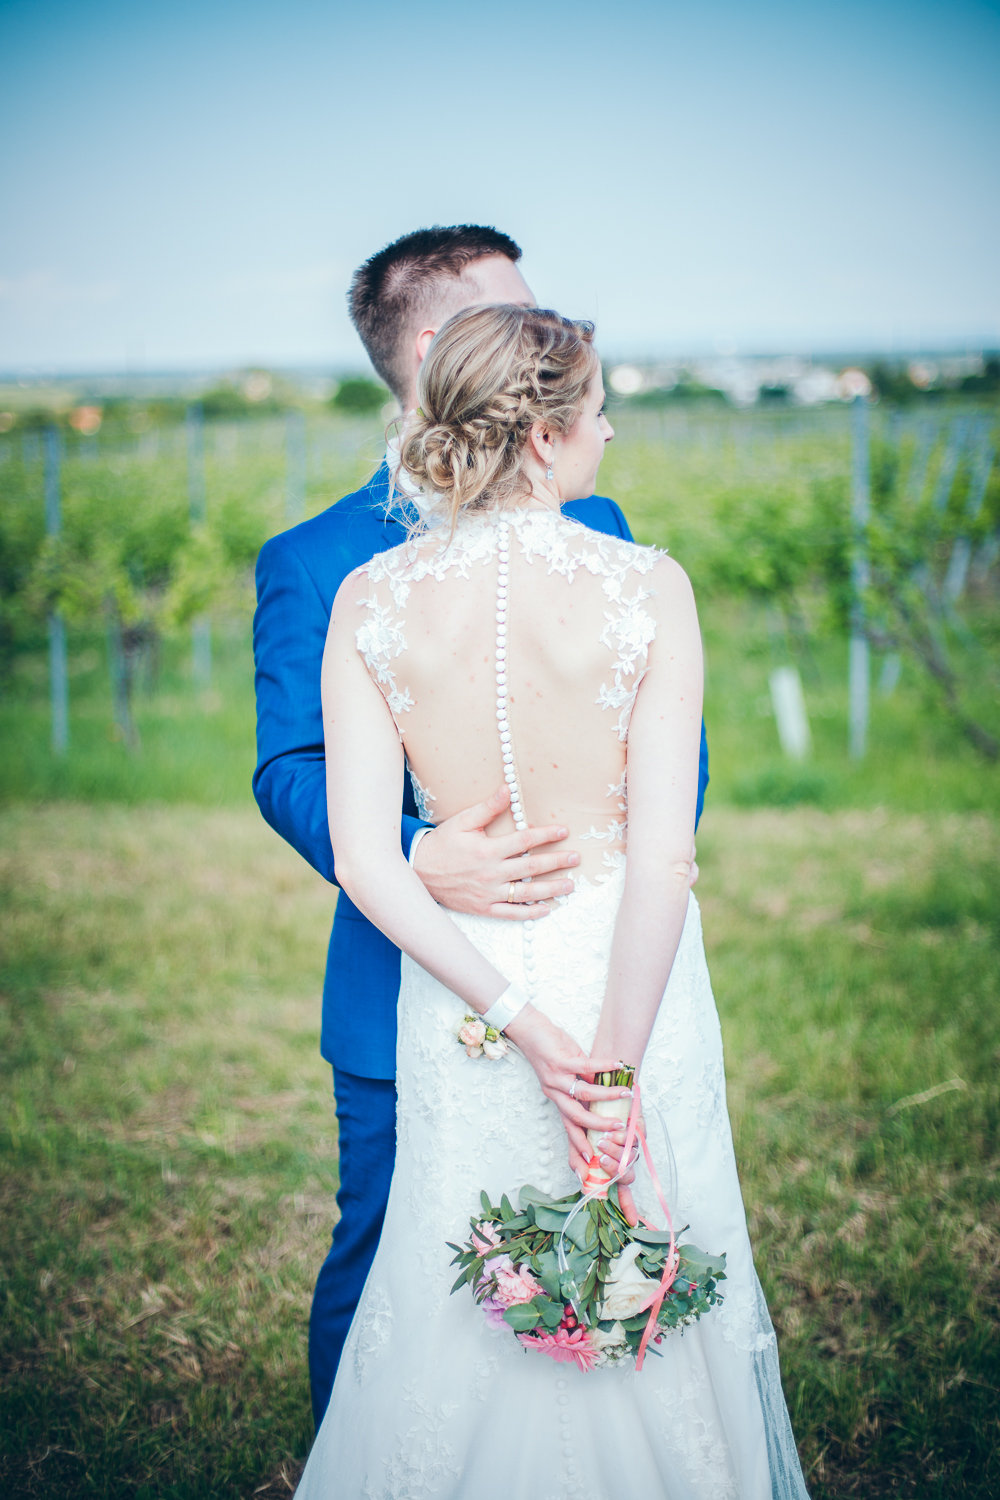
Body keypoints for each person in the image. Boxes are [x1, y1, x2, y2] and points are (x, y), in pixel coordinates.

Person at [294, 306, 808, 1497]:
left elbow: (373, 865)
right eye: (595, 411)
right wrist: (614, 1072)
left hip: (472, 983)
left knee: (448, 1276)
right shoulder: (648, 586)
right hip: (628, 972)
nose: (609, 430)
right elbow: (663, 859)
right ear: (540, 440)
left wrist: (525, 1022)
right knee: (649, 1261)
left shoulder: (368, 599)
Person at [252, 226, 710, 1425]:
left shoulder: (603, 529)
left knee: (622, 1252)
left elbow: (661, 770)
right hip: (417, 963)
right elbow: (289, 768)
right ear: (437, 348)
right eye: (517, 316)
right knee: (395, 1257)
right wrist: (416, 855)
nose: (541, 335)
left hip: (592, 944)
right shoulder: (316, 564)